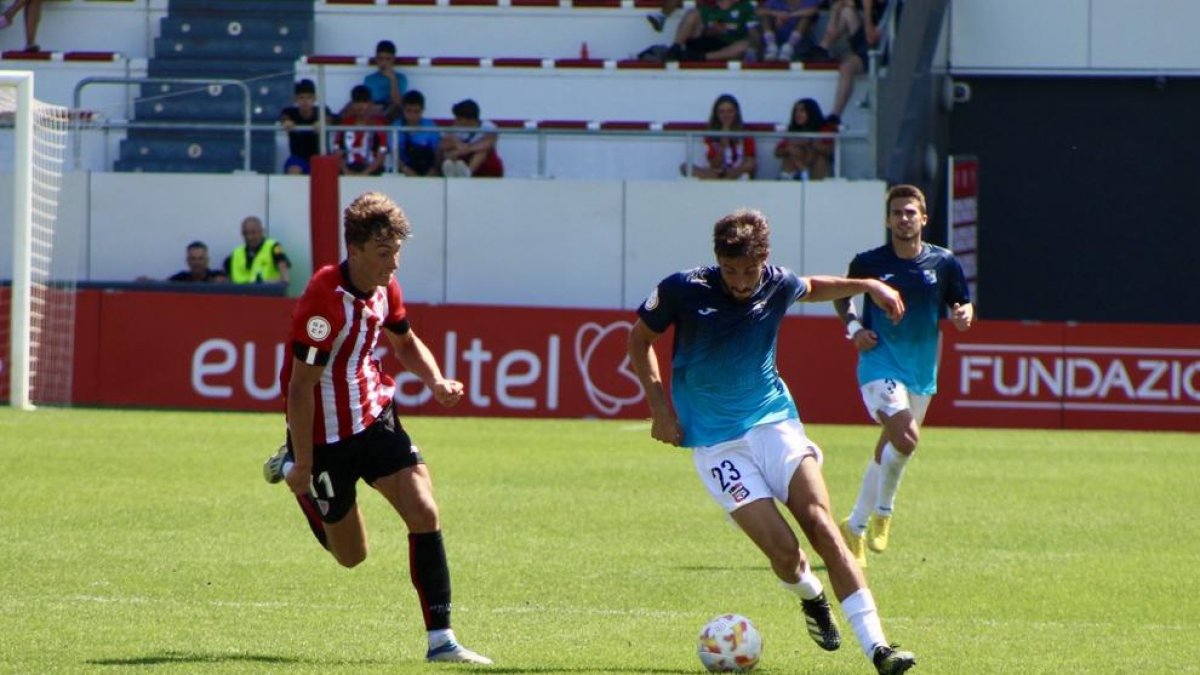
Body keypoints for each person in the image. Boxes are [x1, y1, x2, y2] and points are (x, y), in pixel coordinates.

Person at [627, 208, 917, 675]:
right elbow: (638, 340)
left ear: (764, 260)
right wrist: (660, 409)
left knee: (822, 527)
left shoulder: (776, 283)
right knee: (784, 552)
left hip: (773, 424)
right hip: (717, 445)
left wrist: (868, 286)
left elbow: (813, 287)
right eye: (730, 270)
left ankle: (879, 649)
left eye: (749, 271)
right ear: (717, 260)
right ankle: (812, 596)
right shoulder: (683, 289)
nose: (741, 282)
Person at [261, 191, 492, 665]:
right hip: (324, 439)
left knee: (424, 511)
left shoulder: (387, 287)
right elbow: (300, 389)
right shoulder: (325, 302)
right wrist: (304, 462)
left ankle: (441, 641)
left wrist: (436, 381)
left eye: (398, 251)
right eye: (384, 253)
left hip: (374, 418)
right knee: (351, 556)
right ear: (356, 250)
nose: (395, 263)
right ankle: (293, 473)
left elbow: (404, 342)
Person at [833, 184, 973, 568]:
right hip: (879, 362)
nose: (904, 219)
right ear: (888, 220)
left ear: (923, 218)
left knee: (892, 447)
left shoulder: (944, 262)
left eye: (910, 213)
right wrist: (854, 329)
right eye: (897, 213)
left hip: (921, 369)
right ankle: (884, 511)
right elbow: (841, 295)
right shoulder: (869, 262)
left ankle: (855, 527)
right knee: (907, 438)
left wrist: (964, 314)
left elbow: (961, 303)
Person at [806, 0, 888, 124]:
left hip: (878, 50)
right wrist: (835, 10)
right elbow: (832, 31)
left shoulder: (889, 7)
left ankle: (835, 115)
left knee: (847, 67)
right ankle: (822, 49)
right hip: (863, 45)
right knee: (846, 12)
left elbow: (871, 40)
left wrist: (867, 9)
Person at [683, 94, 757, 180]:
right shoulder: (710, 135)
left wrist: (733, 171)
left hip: (737, 172)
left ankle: (724, 180)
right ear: (716, 114)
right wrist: (722, 146)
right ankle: (724, 180)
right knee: (685, 167)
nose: (726, 115)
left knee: (751, 164)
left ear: (736, 112)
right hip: (716, 173)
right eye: (721, 112)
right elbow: (714, 165)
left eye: (730, 111)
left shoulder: (745, 134)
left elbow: (750, 162)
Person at [665, 0, 759, 62]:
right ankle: (675, 49)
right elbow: (700, 29)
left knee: (744, 46)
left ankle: (701, 57)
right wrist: (710, 31)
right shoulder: (709, 5)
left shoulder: (745, 7)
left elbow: (753, 31)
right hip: (706, 41)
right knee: (693, 14)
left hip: (729, 44)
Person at [280, 78, 337, 175]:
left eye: (309, 97)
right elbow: (284, 117)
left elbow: (330, 119)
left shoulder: (322, 111)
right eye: (301, 98)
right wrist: (286, 122)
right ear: (295, 99)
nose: (305, 101)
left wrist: (323, 122)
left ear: (314, 99)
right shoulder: (289, 112)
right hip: (298, 158)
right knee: (294, 169)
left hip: (320, 157)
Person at [437, 99, 503, 178]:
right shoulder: (456, 128)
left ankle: (467, 173)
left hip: (484, 163)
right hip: (462, 159)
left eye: (459, 119)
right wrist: (456, 143)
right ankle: (452, 171)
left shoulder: (487, 126)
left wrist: (466, 149)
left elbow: (489, 143)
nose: (456, 121)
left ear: (470, 120)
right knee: (448, 152)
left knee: (482, 151)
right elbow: (443, 144)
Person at [775, 97, 836, 180]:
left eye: (802, 110)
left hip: (815, 167)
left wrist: (810, 142)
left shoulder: (824, 128)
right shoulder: (792, 130)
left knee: (820, 158)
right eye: (796, 111)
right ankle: (802, 172)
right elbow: (777, 152)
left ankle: (810, 178)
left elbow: (830, 150)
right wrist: (792, 147)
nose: (798, 114)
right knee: (789, 152)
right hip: (798, 166)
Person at [336, 84, 389, 177]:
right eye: (357, 102)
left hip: (371, 171)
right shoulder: (345, 124)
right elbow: (338, 151)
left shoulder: (378, 125)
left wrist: (364, 174)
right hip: (348, 170)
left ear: (370, 104)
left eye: (364, 102)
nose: (360, 106)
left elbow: (381, 155)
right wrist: (346, 172)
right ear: (352, 104)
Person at [224, 215, 291, 285]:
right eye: (245, 233)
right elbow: (225, 282)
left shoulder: (274, 247)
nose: (249, 237)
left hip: (266, 291)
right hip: (241, 291)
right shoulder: (236, 253)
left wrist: (262, 284)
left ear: (262, 231)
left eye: (253, 232)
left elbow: (285, 279)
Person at [395, 90, 440, 177]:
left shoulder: (430, 126)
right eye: (408, 111)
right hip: (403, 172)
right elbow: (393, 154)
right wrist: (406, 170)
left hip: (428, 172)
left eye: (416, 111)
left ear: (423, 110)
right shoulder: (396, 127)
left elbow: (437, 152)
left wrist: (434, 170)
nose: (412, 115)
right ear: (403, 110)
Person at [363, 39, 406, 121]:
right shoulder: (369, 79)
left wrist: (393, 80)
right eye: (381, 59)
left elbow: (398, 102)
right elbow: (366, 102)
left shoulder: (401, 78)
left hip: (392, 112)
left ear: (393, 59)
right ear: (376, 59)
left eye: (388, 59)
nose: (384, 63)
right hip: (374, 111)